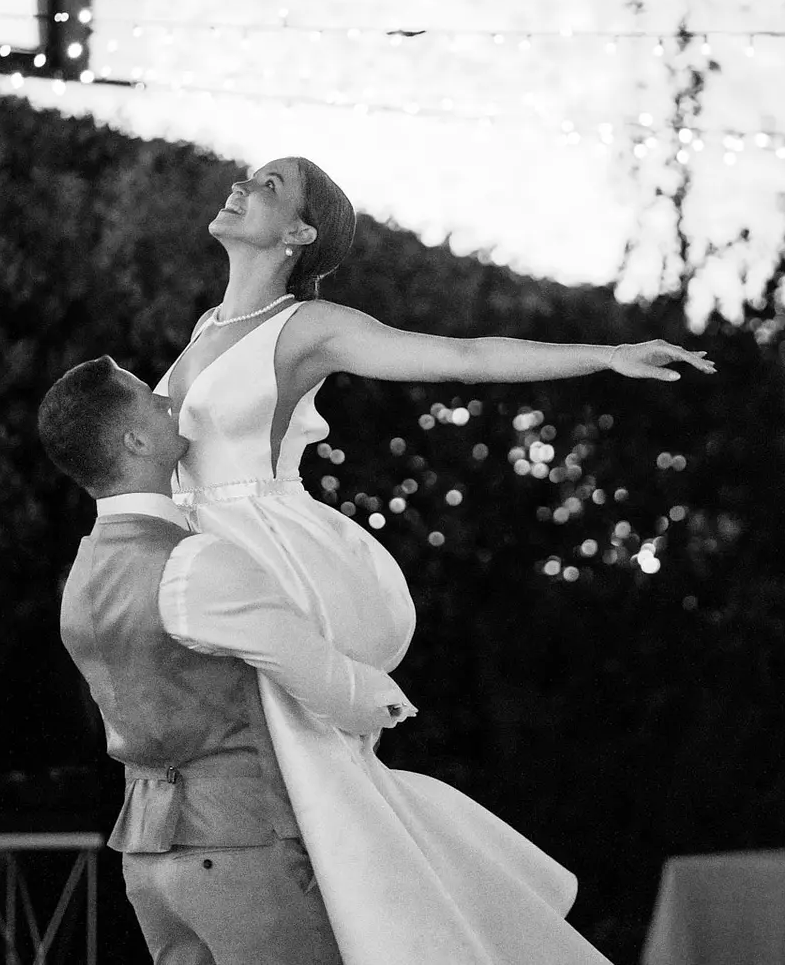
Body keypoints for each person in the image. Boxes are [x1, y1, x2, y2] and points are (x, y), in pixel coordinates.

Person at [155, 156, 714, 965]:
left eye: (270, 185)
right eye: (248, 176)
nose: (242, 186)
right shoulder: (206, 327)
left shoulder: (307, 326)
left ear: (300, 233)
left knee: (310, 791)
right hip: (202, 558)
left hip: (266, 558)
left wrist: (605, 353)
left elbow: (465, 355)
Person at [39, 355, 416, 965]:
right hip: (240, 849)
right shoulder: (195, 565)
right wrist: (390, 700)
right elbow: (330, 686)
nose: (172, 402)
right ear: (135, 440)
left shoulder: (80, 577)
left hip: (147, 861)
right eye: (151, 399)